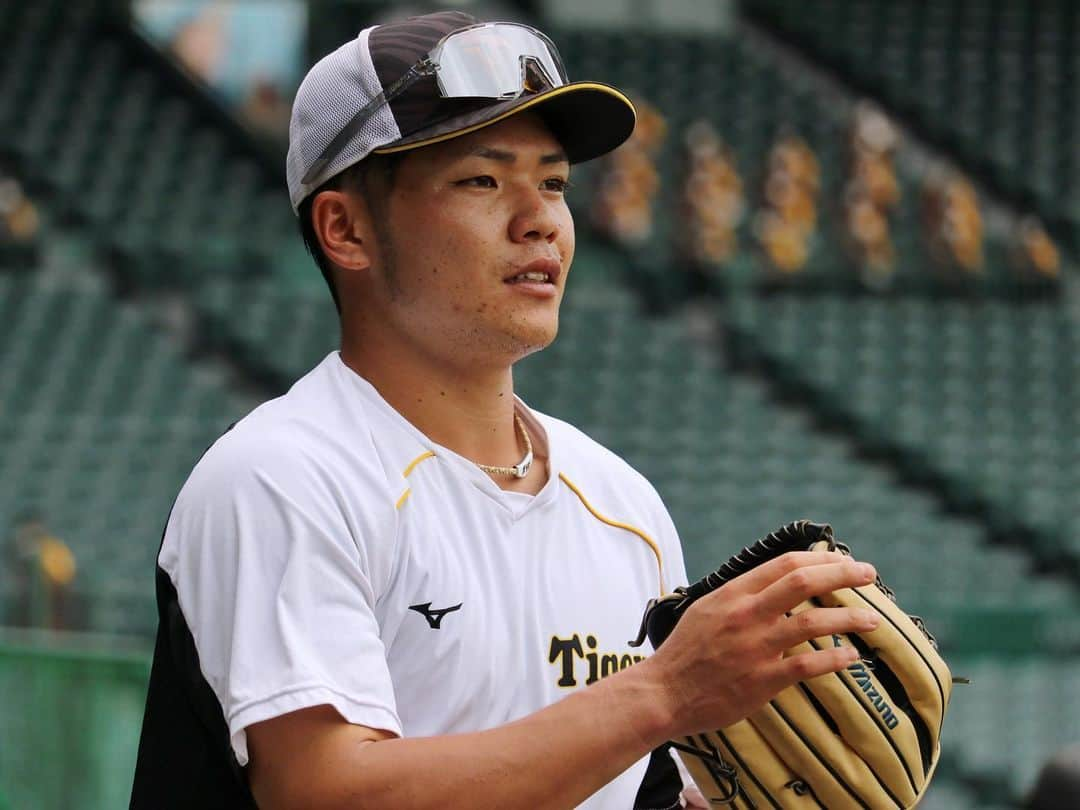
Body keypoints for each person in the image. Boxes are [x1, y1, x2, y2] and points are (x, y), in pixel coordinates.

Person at [130, 11, 881, 809]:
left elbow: (641, 791)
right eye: (482, 180)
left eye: (553, 182)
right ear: (346, 229)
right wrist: (662, 692)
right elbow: (327, 793)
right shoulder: (283, 477)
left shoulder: (620, 502)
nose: (541, 221)